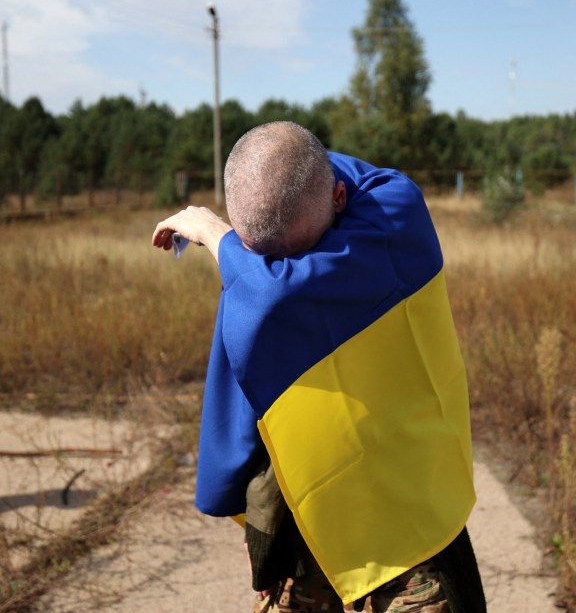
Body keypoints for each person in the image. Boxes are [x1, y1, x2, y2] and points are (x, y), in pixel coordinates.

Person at [152, 122, 486, 612]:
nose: (284, 268)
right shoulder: (370, 213)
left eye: (296, 253)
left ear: (340, 196)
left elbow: (270, 293)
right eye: (263, 257)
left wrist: (215, 233)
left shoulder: (396, 218)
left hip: (410, 540)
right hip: (315, 528)